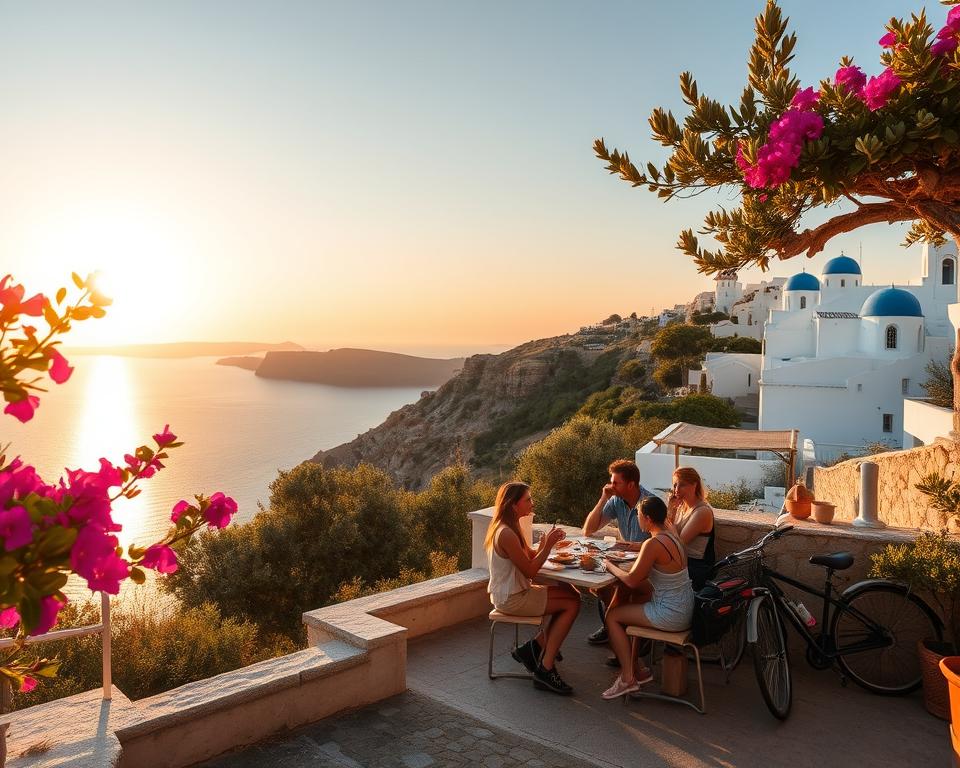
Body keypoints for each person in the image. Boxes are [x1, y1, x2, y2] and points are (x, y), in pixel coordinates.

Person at [486, 481, 581, 695]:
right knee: (573, 603)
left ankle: (533, 648)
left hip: (513, 593)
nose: (532, 502)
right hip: (512, 598)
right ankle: (545, 668)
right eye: (527, 499)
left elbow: (528, 554)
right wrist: (547, 546)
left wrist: (551, 544)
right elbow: (530, 571)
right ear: (513, 505)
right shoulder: (506, 533)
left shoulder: (510, 526)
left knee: (570, 593)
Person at [600, 496, 695, 699]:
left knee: (612, 616)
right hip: (686, 609)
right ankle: (638, 670)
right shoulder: (673, 537)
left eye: (640, 516)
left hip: (670, 615)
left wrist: (609, 566)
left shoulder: (652, 544)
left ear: (649, 519)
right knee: (638, 598)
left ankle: (627, 679)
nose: (638, 520)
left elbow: (633, 580)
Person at [582, 459, 655, 646]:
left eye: (616, 483)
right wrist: (602, 499)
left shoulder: (650, 504)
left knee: (621, 588)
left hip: (646, 565)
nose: (610, 486)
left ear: (631, 484)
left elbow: (659, 541)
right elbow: (588, 530)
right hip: (624, 560)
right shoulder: (616, 501)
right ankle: (613, 626)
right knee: (596, 584)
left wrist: (631, 547)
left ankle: (623, 633)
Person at [667, 466, 716, 591]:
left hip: (695, 567)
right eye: (674, 485)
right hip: (681, 561)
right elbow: (666, 533)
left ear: (694, 485)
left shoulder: (702, 512)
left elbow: (679, 542)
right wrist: (671, 509)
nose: (676, 490)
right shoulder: (681, 507)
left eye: (682, 485)